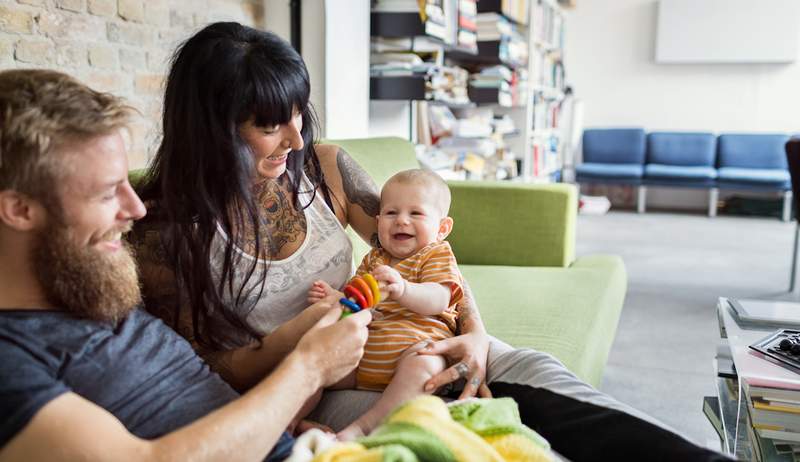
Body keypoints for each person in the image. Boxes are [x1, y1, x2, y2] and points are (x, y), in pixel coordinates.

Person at [133, 22, 730, 460]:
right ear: (212, 129)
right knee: (466, 423)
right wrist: (308, 343)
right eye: (269, 125)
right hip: (339, 382)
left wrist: (471, 331)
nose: (294, 137)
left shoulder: (323, 168)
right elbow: (215, 371)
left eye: (298, 114)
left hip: (418, 331)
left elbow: (422, 251)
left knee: (545, 382)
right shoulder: (165, 236)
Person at [0, 68, 372, 461]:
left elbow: (195, 401)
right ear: (20, 210)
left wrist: (276, 424)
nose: (136, 208)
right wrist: (309, 368)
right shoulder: (13, 357)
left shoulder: (90, 283)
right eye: (109, 193)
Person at [308, 169, 464, 439]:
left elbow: (439, 299)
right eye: (391, 213)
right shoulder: (374, 259)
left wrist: (404, 289)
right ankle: (293, 420)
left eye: (415, 213)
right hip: (363, 358)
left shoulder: (435, 254)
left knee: (425, 365)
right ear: (378, 221)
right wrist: (338, 298)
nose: (401, 221)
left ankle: (362, 429)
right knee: (318, 360)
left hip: (414, 351)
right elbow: (357, 299)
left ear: (442, 228)